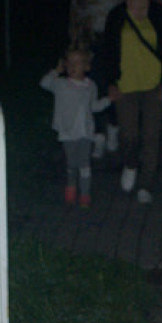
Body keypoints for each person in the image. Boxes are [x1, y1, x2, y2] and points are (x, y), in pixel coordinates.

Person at [99, 0, 162, 204]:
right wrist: (110, 83)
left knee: (151, 136)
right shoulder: (116, 15)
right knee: (129, 134)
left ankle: (146, 184)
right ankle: (130, 164)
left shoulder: (159, 12)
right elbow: (108, 51)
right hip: (126, 84)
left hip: (153, 83)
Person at [39, 46, 111, 207]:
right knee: (72, 163)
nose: (73, 67)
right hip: (67, 132)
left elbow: (93, 106)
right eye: (70, 63)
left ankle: (85, 194)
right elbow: (44, 83)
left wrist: (108, 100)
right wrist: (56, 71)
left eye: (77, 63)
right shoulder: (61, 84)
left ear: (86, 66)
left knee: (84, 162)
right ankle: (71, 188)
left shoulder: (90, 86)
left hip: (85, 132)